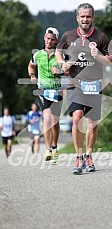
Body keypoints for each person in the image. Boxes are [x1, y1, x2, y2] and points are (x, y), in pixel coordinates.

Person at [55, 3, 112, 174]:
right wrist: (62, 63)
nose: (85, 19)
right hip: (75, 83)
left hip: (94, 84)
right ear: (77, 18)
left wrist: (100, 57)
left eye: (88, 16)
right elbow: (59, 51)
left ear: (93, 18)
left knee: (92, 123)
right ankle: (78, 157)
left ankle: (89, 155)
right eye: (82, 16)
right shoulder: (68, 36)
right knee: (77, 118)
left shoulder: (101, 37)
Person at [28, 27, 64, 163]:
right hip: (43, 90)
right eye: (47, 38)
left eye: (52, 39)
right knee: (47, 119)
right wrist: (32, 75)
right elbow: (31, 66)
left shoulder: (60, 55)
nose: (49, 41)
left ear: (56, 41)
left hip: (57, 91)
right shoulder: (37, 54)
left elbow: (67, 69)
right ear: (44, 38)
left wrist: (59, 71)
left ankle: (55, 146)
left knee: (55, 122)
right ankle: (48, 149)